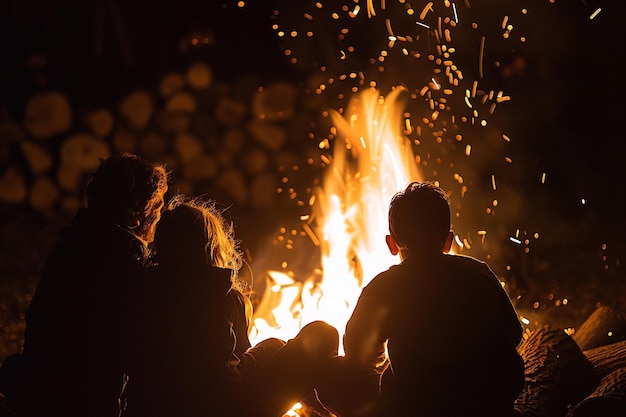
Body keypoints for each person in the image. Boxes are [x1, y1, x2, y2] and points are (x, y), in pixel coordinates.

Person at [124, 195, 339, 417]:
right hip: (225, 409)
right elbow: (238, 363)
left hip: (149, 408)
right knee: (321, 334)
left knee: (273, 345)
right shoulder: (222, 295)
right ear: (210, 247)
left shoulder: (139, 291)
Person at [323, 181, 525, 417]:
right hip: (493, 405)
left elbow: (357, 351)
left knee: (332, 373)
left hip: (420, 407)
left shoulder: (387, 286)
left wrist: (381, 360)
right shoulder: (478, 271)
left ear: (391, 244)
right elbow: (514, 333)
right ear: (449, 241)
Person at [20, 152, 169, 417]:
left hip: (38, 388)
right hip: (90, 400)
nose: (159, 219)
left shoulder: (71, 244)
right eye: (157, 209)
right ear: (138, 214)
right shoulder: (126, 262)